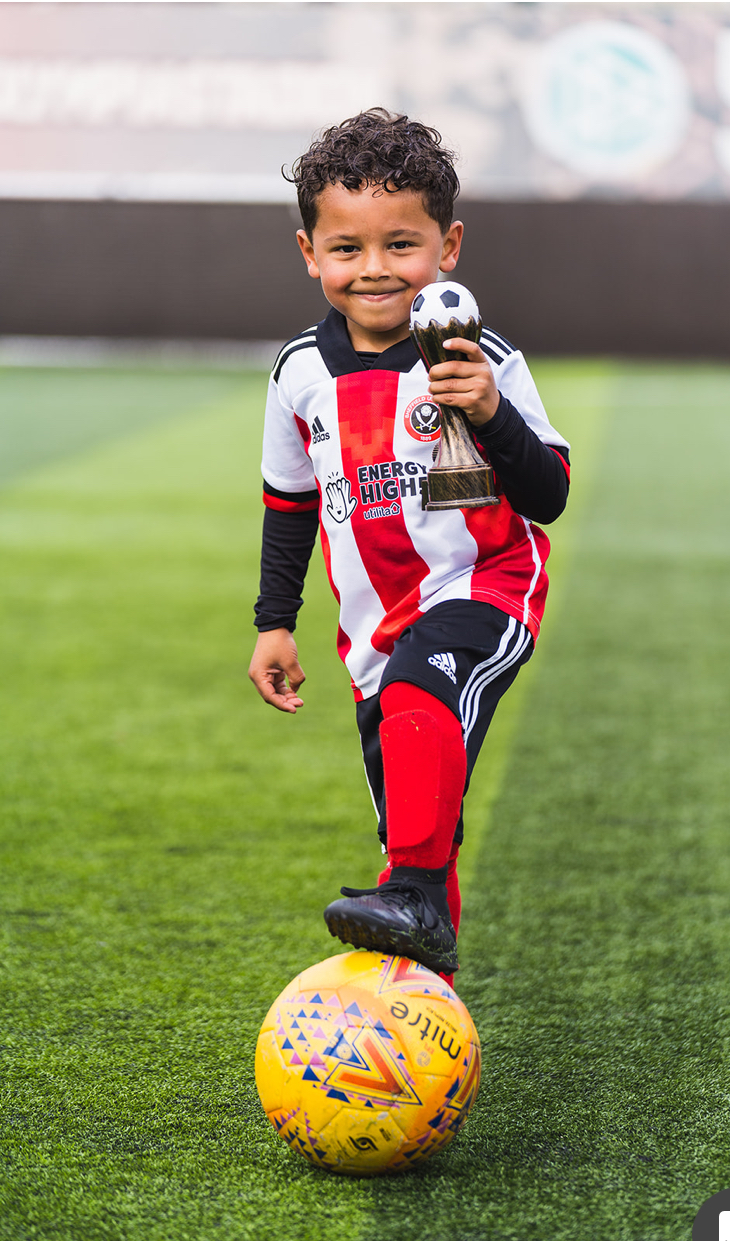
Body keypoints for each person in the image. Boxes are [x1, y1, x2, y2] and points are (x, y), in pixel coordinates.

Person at [247, 108, 570, 983]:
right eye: (347, 249)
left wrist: (490, 413)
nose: (375, 269)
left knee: (426, 690)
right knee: (417, 824)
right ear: (310, 253)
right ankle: (431, 1008)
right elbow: (290, 504)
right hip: (372, 633)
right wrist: (275, 622)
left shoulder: (480, 358)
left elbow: (549, 495)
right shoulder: (299, 376)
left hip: (487, 586)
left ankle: (415, 892)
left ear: (448, 244)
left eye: (402, 243)